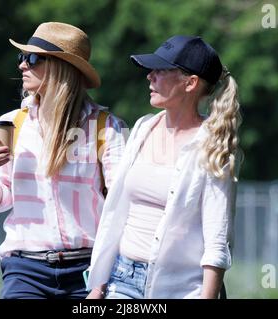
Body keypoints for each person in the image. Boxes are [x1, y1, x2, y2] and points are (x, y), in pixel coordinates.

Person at [0, 22, 126, 299]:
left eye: (32, 59)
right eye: (22, 58)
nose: (22, 66)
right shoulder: (12, 124)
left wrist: (101, 283)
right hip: (25, 269)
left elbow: (120, 210)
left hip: (88, 270)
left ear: (61, 67)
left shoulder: (106, 127)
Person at [86, 35, 242, 299]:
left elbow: (217, 238)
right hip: (121, 281)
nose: (150, 77)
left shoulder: (214, 146)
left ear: (190, 83)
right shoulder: (143, 128)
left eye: (160, 70)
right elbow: (117, 212)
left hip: (181, 290)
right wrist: (98, 286)